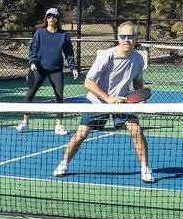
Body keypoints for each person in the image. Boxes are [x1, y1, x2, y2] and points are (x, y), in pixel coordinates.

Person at [53, 22, 155, 184]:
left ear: (136, 38)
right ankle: (64, 164)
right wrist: (107, 99)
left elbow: (137, 82)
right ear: (118, 38)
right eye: (123, 36)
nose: (126, 40)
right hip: (97, 101)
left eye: (130, 37)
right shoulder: (107, 56)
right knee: (81, 135)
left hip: (122, 102)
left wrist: (139, 99)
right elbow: (88, 82)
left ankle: (145, 169)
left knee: (136, 131)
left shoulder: (138, 59)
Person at [18, 7, 78, 135]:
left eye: (54, 17)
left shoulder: (63, 35)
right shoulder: (40, 33)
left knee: (59, 97)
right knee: (30, 95)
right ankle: (25, 122)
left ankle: (59, 125)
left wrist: (73, 67)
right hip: (39, 69)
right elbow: (33, 50)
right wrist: (33, 62)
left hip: (56, 71)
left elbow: (69, 53)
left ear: (57, 19)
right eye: (49, 16)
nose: (52, 19)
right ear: (46, 18)